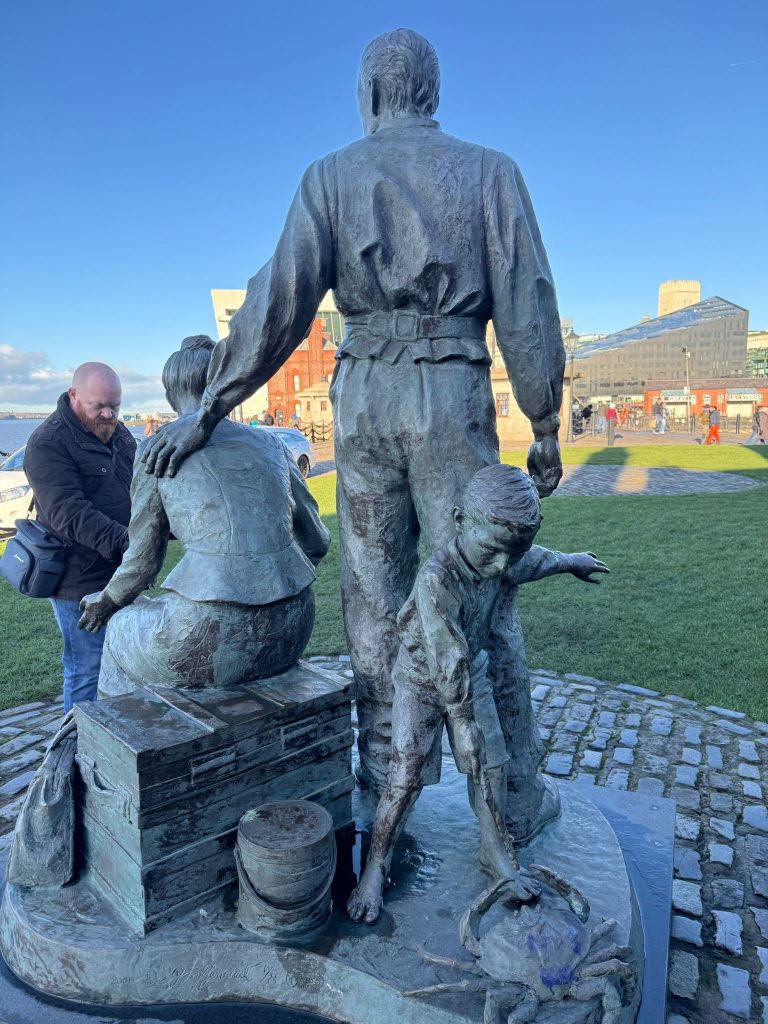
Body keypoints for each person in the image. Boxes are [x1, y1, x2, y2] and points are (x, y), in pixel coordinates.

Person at [141, 29, 565, 842]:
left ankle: (383, 786)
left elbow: (276, 305)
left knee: (372, 601)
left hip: (365, 401)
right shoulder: (491, 172)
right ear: (430, 95)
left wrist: (208, 408)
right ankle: (512, 798)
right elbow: (527, 299)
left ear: (370, 95)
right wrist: (543, 422)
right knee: (480, 585)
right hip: (450, 395)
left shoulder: (329, 177)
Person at [347, 464, 609, 923]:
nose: (501, 568)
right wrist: (463, 728)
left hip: (474, 675)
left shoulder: (498, 554)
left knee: (490, 768)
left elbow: (530, 561)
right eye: (493, 554)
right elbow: (447, 661)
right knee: (404, 776)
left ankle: (497, 856)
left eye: (510, 555)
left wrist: (571, 561)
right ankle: (375, 865)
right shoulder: (437, 581)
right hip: (424, 683)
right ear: (460, 521)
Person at [78, 337, 329, 693]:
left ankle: (115, 742)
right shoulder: (273, 444)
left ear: (171, 392)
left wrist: (106, 601)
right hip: (295, 624)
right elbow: (317, 539)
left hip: (210, 635)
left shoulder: (158, 449)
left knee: (120, 627)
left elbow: (143, 561)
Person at [22, 363, 135, 711]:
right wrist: (132, 542)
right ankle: (77, 748)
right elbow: (69, 514)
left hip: (123, 573)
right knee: (87, 668)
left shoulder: (120, 433)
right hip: (79, 581)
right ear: (74, 395)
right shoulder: (47, 443)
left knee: (127, 661)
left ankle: (121, 736)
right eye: (98, 405)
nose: (107, 414)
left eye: (114, 406)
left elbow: (140, 487)